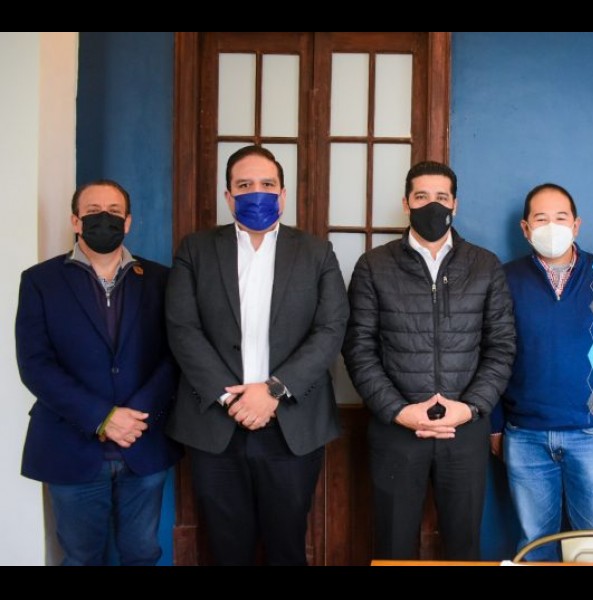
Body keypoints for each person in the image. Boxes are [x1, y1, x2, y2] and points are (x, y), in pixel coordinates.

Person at [165, 145, 349, 566]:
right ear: (228, 196)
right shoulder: (195, 250)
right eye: (244, 185)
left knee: (287, 547)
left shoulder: (316, 252)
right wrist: (231, 398)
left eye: (267, 184)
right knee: (227, 549)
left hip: (291, 424)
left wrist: (272, 391)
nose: (256, 193)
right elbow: (182, 328)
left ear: (283, 194)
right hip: (216, 424)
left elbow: (331, 329)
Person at [343, 160, 516, 560]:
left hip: (464, 429)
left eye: (441, 196)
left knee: (463, 547)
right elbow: (358, 348)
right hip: (397, 429)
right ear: (406, 203)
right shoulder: (374, 265)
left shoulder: (484, 265)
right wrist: (398, 410)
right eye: (421, 196)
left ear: (455, 203)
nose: (432, 205)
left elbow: (502, 346)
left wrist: (469, 408)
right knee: (393, 547)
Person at [15, 180, 181, 566]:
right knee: (81, 557)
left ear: (128, 222)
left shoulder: (161, 280)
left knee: (142, 553)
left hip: (143, 442)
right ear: (75, 221)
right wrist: (103, 417)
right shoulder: (40, 281)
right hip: (69, 446)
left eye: (113, 212)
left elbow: (176, 355)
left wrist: (134, 417)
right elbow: (35, 364)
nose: (103, 219)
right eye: (92, 212)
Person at [491, 183, 593, 561]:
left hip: (592, 433)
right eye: (541, 218)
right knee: (534, 544)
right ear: (525, 228)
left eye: (560, 218)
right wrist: (494, 426)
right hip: (524, 436)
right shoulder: (505, 279)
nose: (551, 226)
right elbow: (491, 355)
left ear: (576, 225)